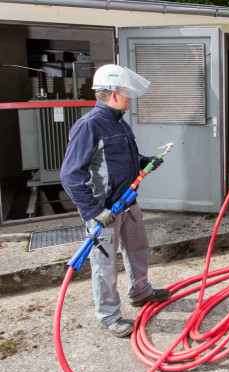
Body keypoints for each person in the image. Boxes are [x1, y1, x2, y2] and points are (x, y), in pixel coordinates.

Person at [60, 64, 170, 338]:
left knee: (138, 249)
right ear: (112, 94)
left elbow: (119, 161)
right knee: (105, 266)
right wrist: (94, 211)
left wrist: (144, 162)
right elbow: (70, 175)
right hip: (104, 210)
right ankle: (109, 315)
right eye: (126, 92)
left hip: (128, 203)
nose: (130, 97)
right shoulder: (89, 126)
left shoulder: (118, 122)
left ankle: (141, 292)